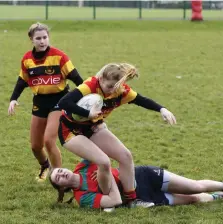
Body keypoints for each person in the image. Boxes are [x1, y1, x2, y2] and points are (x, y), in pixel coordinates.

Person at [58, 62, 176, 205]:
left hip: (92, 128)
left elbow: (142, 100)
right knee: (103, 161)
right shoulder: (90, 86)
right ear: (101, 79)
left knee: (126, 156)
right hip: (70, 131)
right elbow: (64, 102)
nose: (111, 91)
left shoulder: (121, 91)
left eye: (115, 87)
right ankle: (109, 200)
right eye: (109, 87)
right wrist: (88, 113)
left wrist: (162, 109)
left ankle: (132, 200)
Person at [7, 22, 83, 182]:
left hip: (60, 100)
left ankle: (57, 176)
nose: (42, 41)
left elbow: (77, 78)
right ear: (31, 40)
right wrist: (13, 99)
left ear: (48, 38)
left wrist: (85, 95)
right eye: (38, 38)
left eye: (45, 37)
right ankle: (45, 165)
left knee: (49, 140)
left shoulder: (59, 56)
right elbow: (22, 80)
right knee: (35, 146)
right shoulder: (27, 59)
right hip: (40, 102)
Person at [49, 159, 223, 210]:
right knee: (192, 198)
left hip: (142, 176)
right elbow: (113, 202)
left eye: (59, 170)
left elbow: (101, 148)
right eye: (58, 178)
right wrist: (106, 178)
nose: (61, 173)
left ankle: (222, 185)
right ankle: (218, 196)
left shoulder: (83, 165)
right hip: (139, 197)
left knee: (195, 186)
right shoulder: (83, 198)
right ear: (63, 188)